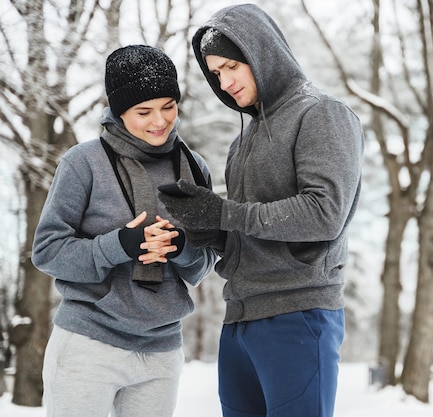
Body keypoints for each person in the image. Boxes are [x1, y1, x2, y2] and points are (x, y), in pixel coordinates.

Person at [159, 4, 364, 417]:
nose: (226, 81)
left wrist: (225, 214)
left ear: (263, 53)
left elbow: (325, 214)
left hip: (298, 315)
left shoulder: (321, 114)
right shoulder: (242, 141)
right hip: (239, 321)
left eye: (233, 65)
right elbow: (243, 228)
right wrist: (204, 228)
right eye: (216, 73)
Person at [32, 44, 219, 417]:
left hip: (162, 351)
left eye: (168, 106)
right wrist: (120, 244)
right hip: (89, 343)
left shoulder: (194, 168)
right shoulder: (83, 163)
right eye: (143, 111)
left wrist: (182, 246)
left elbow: (203, 264)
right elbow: (48, 251)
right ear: (118, 111)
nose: (160, 121)